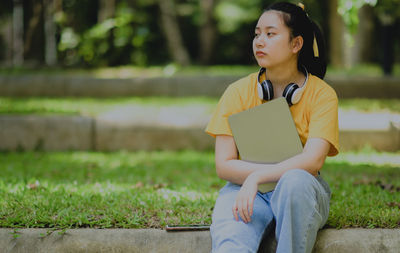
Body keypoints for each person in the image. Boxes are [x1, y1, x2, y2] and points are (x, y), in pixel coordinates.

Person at [205, 2, 339, 253]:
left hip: (300, 189)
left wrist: (258, 176)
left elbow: (312, 162)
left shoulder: (322, 95)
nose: (259, 41)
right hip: (245, 189)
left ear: (296, 44)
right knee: (230, 243)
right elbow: (224, 164)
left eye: (270, 33)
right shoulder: (237, 92)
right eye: (257, 34)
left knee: (294, 181)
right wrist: (253, 182)